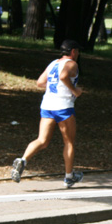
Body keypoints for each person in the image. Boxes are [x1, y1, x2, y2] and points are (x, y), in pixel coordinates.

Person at [11, 39, 84, 188]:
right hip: (63, 107)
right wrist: (75, 91)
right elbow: (64, 76)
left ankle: (23, 160)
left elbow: (40, 82)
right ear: (73, 51)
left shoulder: (53, 63)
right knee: (69, 142)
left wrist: (54, 87)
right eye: (78, 51)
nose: (78, 54)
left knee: (42, 140)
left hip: (47, 105)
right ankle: (69, 177)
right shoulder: (72, 64)